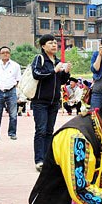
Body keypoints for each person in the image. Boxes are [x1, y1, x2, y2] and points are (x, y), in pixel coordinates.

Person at [29, 34, 71, 171]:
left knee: (49, 130)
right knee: (40, 130)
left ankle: (47, 159)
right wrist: (54, 70)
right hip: (40, 101)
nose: (54, 45)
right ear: (43, 46)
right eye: (50, 43)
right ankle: (39, 160)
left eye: (55, 43)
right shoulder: (39, 59)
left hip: (54, 101)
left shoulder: (58, 61)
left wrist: (66, 72)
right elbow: (37, 74)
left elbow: (62, 81)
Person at [0, 46, 21, 141]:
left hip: (11, 92)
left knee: (13, 115)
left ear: (10, 54)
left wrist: (12, 87)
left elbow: (18, 80)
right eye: (3, 52)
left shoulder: (16, 66)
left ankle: (12, 133)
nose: (5, 54)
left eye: (7, 52)